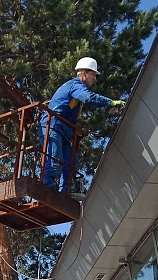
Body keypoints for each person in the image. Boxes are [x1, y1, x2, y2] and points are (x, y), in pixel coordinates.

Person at [39, 56, 124, 198]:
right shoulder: (76, 85)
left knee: (71, 160)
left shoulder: (76, 87)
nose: (95, 79)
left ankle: (67, 191)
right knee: (54, 162)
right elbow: (88, 97)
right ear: (84, 73)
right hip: (52, 126)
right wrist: (110, 103)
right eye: (93, 75)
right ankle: (46, 192)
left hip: (62, 131)